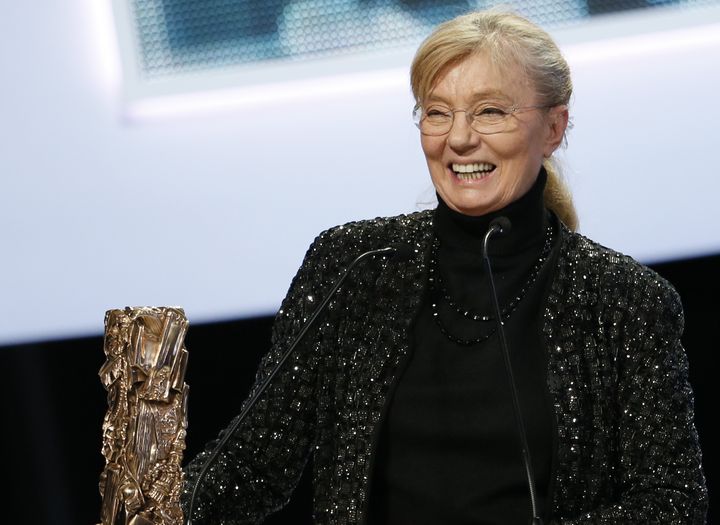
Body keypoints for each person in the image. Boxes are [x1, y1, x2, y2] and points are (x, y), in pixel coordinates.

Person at [181, 9, 708, 524]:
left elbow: (671, 500)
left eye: (490, 111)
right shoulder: (355, 265)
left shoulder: (623, 300)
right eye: (437, 112)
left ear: (553, 128)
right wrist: (152, 509)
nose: (458, 139)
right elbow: (254, 463)